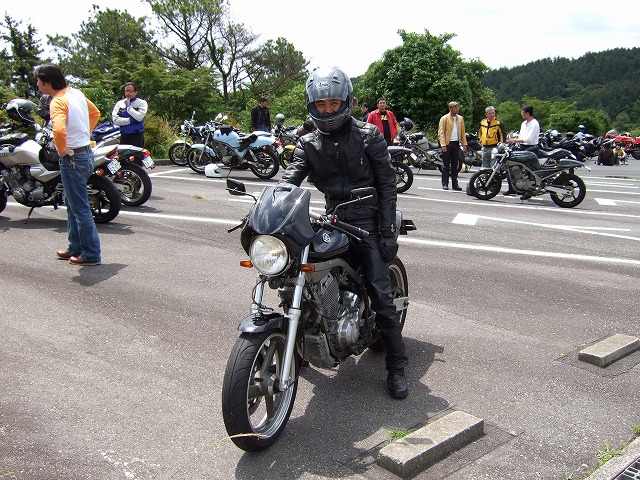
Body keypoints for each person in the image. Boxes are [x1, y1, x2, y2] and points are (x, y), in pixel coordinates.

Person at [280, 66, 408, 399]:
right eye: (320, 105)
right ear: (312, 105)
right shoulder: (308, 143)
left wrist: (386, 232)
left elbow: (387, 185)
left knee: (381, 295)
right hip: (332, 217)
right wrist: (272, 203)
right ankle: (301, 340)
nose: (327, 111)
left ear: (346, 102)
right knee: (297, 274)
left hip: (367, 220)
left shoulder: (369, 135)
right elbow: (289, 180)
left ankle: (396, 367)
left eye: (333, 104)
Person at [35, 63, 102, 266]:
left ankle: (91, 254)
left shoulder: (58, 101)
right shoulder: (76, 93)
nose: (37, 84)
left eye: (39, 80)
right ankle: (75, 247)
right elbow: (95, 113)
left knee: (79, 208)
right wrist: (83, 134)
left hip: (72, 158)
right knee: (73, 205)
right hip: (85, 153)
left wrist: (63, 150)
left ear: (47, 82)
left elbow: (58, 130)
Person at [505, 105, 541, 195]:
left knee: (528, 171)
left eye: (522, 112)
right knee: (512, 166)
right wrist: (513, 140)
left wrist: (516, 140)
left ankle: (528, 190)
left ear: (527, 113)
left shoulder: (534, 124)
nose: (521, 114)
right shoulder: (523, 123)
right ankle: (512, 188)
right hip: (521, 147)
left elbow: (529, 139)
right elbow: (521, 136)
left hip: (531, 148)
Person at [437, 101, 468, 190]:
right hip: (447, 143)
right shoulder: (444, 118)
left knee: (455, 165)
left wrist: (464, 143)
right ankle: (445, 183)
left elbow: (463, 132)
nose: (457, 109)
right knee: (446, 165)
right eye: (455, 107)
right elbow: (441, 132)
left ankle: (455, 184)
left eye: (457, 107)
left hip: (456, 143)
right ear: (450, 108)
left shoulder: (460, 119)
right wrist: (443, 144)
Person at [112, 82, 148, 148]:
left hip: (137, 136)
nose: (128, 93)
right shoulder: (119, 103)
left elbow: (139, 117)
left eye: (130, 91)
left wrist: (128, 106)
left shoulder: (142, 103)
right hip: (124, 135)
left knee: (137, 154)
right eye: (126, 91)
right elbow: (115, 120)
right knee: (122, 154)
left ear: (135, 92)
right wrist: (131, 120)